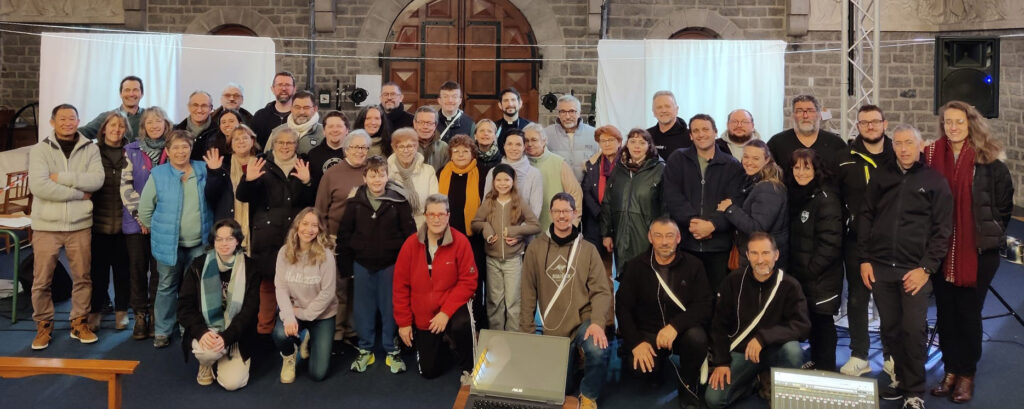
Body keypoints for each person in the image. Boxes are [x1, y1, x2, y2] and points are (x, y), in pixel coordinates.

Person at [925, 101, 1014, 403]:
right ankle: (950, 369)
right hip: (941, 249)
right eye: (948, 122)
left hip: (977, 252)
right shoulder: (932, 156)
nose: (953, 127)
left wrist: (988, 234)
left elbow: (1003, 207)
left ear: (971, 123)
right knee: (946, 314)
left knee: (968, 313)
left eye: (959, 122)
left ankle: (966, 374)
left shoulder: (989, 162)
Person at [859, 124, 953, 409]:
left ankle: (914, 390)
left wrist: (926, 268)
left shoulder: (935, 181)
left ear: (920, 145)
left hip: (915, 270)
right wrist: (864, 258)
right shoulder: (881, 175)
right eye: (898, 143)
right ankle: (899, 378)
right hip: (881, 266)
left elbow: (943, 229)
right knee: (890, 328)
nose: (903, 148)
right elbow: (866, 216)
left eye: (908, 143)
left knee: (913, 330)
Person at [521, 193, 612, 409]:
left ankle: (588, 394)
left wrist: (598, 323)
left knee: (598, 349)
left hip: (583, 320)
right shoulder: (535, 249)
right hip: (552, 326)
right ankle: (571, 373)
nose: (562, 216)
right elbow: (527, 292)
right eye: (557, 211)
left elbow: (602, 291)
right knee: (561, 389)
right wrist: (527, 330)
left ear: (574, 213)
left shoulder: (588, 249)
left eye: (566, 211)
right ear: (551, 214)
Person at [28, 104, 104, 350]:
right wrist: (78, 194)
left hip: (79, 225)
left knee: (83, 277)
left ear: (78, 120)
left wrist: (60, 178)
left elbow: (97, 180)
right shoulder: (40, 150)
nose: (67, 123)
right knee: (42, 280)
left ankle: (79, 322)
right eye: (62, 119)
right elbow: (39, 187)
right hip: (46, 226)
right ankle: (44, 325)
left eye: (72, 118)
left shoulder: (90, 149)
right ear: (52, 122)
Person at [705, 233, 811, 409]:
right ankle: (755, 381)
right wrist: (721, 362)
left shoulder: (790, 285)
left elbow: (802, 326)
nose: (760, 260)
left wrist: (763, 337)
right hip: (742, 350)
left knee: (793, 351)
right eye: (754, 253)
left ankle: (783, 393)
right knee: (714, 399)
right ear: (747, 256)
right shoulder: (733, 281)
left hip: (777, 348)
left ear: (776, 255)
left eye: (765, 253)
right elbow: (719, 325)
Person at [616, 217, 712, 409]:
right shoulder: (635, 266)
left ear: (678, 238)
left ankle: (688, 381)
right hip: (647, 332)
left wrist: (675, 326)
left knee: (697, 339)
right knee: (640, 371)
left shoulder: (694, 265)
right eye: (658, 236)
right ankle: (656, 370)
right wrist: (635, 342)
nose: (664, 241)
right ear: (650, 238)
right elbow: (623, 307)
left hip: (682, 331)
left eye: (669, 236)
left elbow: (704, 305)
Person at [337, 156, 417, 373]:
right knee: (364, 309)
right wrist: (345, 266)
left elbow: (410, 236)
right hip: (361, 263)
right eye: (372, 175)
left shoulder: (398, 200)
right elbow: (345, 234)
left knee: (390, 307)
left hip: (391, 264)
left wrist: (408, 266)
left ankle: (392, 349)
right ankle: (365, 349)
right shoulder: (354, 202)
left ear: (387, 176)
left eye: (381, 174)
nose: (377, 179)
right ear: (365, 177)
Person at [138, 130, 214, 348]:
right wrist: (159, 231)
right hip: (169, 244)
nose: (181, 151)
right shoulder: (159, 174)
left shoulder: (202, 169)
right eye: (176, 148)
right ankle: (162, 330)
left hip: (199, 243)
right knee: (166, 286)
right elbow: (145, 209)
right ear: (168, 151)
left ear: (191, 148)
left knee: (194, 287)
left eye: (185, 147)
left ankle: (188, 326)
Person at [237, 127, 317, 335]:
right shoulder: (260, 162)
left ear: (296, 146)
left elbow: (311, 202)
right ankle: (264, 332)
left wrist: (308, 182)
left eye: (289, 143)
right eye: (280, 142)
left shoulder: (304, 163)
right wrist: (249, 180)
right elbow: (243, 196)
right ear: (273, 144)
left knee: (296, 284)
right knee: (267, 283)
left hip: (295, 235)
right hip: (266, 234)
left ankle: (292, 332)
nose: (285, 146)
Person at [837, 104, 896, 377]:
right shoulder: (845, 158)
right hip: (856, 241)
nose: (870, 126)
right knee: (858, 299)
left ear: (885, 124)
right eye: (864, 123)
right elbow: (836, 198)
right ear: (857, 126)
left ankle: (892, 356)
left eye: (875, 121)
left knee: (889, 300)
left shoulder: (900, 155)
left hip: (893, 242)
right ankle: (860, 355)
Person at [393, 194, 479, 381]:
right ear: (425, 215)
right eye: (431, 214)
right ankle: (446, 345)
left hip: (452, 309)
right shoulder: (410, 245)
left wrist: (446, 312)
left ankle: (469, 367)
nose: (436, 219)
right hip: (425, 315)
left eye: (441, 214)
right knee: (429, 372)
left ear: (448, 215)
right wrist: (404, 322)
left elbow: (469, 282)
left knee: (462, 323)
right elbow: (400, 286)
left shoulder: (461, 242)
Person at [663, 114, 744, 291]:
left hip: (719, 247)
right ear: (690, 135)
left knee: (717, 298)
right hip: (686, 243)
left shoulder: (732, 165)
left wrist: (712, 225)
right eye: (696, 131)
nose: (701, 134)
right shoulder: (678, 159)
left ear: (715, 132)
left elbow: (735, 201)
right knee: (685, 296)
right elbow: (672, 196)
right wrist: (693, 223)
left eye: (706, 129)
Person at [177, 219, 260, 390]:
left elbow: (249, 312)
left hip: (236, 333)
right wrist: (201, 332)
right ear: (213, 241)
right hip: (207, 329)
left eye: (229, 238)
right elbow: (184, 307)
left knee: (232, 384)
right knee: (207, 352)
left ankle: (218, 357)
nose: (224, 243)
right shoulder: (198, 265)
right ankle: (207, 362)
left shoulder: (251, 268)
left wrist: (226, 337)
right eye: (219, 239)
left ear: (237, 240)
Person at [787, 148, 843, 372]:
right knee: (811, 323)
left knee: (823, 323)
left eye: (806, 167)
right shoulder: (798, 195)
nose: (801, 172)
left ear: (816, 169)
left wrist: (810, 271)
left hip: (820, 278)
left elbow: (830, 243)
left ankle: (827, 370)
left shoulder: (826, 198)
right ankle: (817, 362)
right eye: (797, 167)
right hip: (803, 276)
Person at [315, 129, 372, 341]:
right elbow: (320, 209)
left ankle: (354, 332)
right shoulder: (332, 174)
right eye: (355, 147)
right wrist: (323, 241)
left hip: (365, 241)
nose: (360, 151)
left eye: (364, 147)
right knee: (338, 289)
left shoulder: (372, 171)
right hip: (335, 241)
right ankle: (337, 334)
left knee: (359, 289)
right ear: (346, 149)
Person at [121, 106, 172, 340]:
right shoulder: (130, 150)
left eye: (158, 121)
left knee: (160, 273)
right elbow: (126, 186)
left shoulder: (173, 150)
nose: (154, 125)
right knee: (137, 271)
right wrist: (143, 218)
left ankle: (156, 316)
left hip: (163, 222)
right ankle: (140, 316)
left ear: (165, 124)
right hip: (135, 223)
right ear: (143, 126)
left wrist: (154, 219)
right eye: (149, 122)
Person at [471, 164, 541, 330]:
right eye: (499, 180)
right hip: (492, 260)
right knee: (494, 301)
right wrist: (486, 228)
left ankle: (512, 339)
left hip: (513, 260)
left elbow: (535, 225)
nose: (502, 183)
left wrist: (516, 232)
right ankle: (496, 339)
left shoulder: (519, 202)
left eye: (506, 180)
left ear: (513, 181)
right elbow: (475, 223)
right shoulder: (489, 202)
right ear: (493, 181)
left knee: (513, 301)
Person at [273, 207, 338, 383]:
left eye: (314, 226)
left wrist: (302, 314)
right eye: (305, 224)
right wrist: (289, 317)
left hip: (322, 314)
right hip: (295, 311)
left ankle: (307, 338)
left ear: (320, 230)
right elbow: (281, 288)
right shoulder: (284, 252)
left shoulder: (326, 255)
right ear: (297, 225)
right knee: (280, 334)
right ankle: (289, 355)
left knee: (318, 374)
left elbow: (328, 293)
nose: (309, 230)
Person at [88, 112, 132, 332]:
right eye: (112, 125)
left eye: (121, 126)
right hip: (98, 224)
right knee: (98, 272)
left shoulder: (132, 152)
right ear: (104, 128)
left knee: (124, 271)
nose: (117, 129)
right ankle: (94, 311)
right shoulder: (91, 152)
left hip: (125, 225)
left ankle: (121, 311)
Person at [600, 128, 664, 276]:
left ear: (649, 146)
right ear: (626, 145)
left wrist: (660, 235)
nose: (637, 146)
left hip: (647, 236)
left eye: (642, 143)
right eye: (633, 141)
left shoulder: (660, 169)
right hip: (620, 236)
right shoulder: (619, 169)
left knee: (646, 277)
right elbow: (607, 202)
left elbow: (665, 206)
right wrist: (606, 233)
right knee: (623, 279)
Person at [717, 140, 788, 268]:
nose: (749, 162)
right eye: (746, 157)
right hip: (754, 255)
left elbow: (758, 229)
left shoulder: (768, 188)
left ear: (767, 160)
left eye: (756, 158)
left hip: (762, 259)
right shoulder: (752, 181)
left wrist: (730, 209)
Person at [203, 125, 260, 247]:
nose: (241, 142)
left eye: (245, 138)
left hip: (256, 226)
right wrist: (214, 173)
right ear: (231, 144)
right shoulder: (222, 166)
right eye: (236, 139)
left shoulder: (262, 164)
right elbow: (211, 196)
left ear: (253, 141)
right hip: (227, 226)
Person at [768, 95, 846, 181]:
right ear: (792, 116)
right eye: (799, 111)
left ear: (819, 115)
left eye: (810, 111)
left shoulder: (836, 144)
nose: (805, 116)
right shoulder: (777, 143)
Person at [524, 123, 583, 232]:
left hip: (556, 230)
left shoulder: (559, 163)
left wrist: (573, 223)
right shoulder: (520, 165)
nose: (529, 144)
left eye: (534, 140)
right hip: (526, 230)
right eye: (526, 140)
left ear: (544, 141)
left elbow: (575, 194)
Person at [581, 125, 622, 279]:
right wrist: (600, 214)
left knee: (621, 269)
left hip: (620, 221)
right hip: (596, 220)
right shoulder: (592, 164)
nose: (606, 144)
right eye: (602, 141)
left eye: (611, 140)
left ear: (619, 142)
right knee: (597, 270)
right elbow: (586, 191)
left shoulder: (627, 164)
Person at [483, 130, 543, 222]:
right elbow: (486, 205)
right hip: (496, 231)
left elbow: (535, 209)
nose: (513, 148)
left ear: (524, 147)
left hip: (524, 232)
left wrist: (519, 232)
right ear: (504, 146)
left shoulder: (534, 174)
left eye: (518, 144)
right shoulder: (492, 172)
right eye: (509, 144)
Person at [388, 127, 440, 226]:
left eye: (410, 146)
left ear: (416, 147)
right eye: (401, 147)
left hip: (424, 226)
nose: (406, 150)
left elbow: (434, 203)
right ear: (394, 148)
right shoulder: (386, 172)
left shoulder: (428, 171)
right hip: (395, 227)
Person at [544, 94, 597, 181]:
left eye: (572, 111)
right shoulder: (546, 134)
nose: (567, 116)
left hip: (586, 190)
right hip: (558, 189)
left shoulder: (593, 134)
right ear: (558, 114)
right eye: (563, 112)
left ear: (579, 113)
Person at [79, 75, 146, 141]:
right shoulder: (107, 117)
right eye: (127, 90)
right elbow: (84, 133)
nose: (131, 94)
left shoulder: (149, 117)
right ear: (120, 94)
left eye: (135, 90)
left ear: (142, 94)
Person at [264, 91, 325, 156]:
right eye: (297, 107)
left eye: (306, 107)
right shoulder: (277, 131)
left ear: (315, 109)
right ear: (291, 108)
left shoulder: (324, 132)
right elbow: (266, 159)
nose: (301, 112)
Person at [253, 71, 297, 148]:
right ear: (272, 89)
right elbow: (253, 144)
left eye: (287, 85)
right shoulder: (260, 116)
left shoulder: (299, 116)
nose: (283, 88)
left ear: (294, 89)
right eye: (280, 85)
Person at [306, 111, 349, 187]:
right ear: (324, 131)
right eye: (330, 126)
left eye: (339, 126)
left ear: (347, 130)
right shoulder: (313, 154)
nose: (335, 130)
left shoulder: (355, 154)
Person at [173, 91, 218, 162]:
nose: (199, 110)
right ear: (189, 107)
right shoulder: (176, 131)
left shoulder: (219, 132)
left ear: (211, 108)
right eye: (195, 105)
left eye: (204, 105)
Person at [646, 91, 690, 160]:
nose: (663, 110)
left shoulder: (690, 137)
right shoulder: (646, 136)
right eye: (659, 107)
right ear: (653, 112)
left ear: (676, 109)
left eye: (667, 106)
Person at [413, 105, 450, 171]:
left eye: (429, 123)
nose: (425, 127)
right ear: (415, 124)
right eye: (421, 122)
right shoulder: (405, 145)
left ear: (435, 125)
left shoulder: (444, 148)